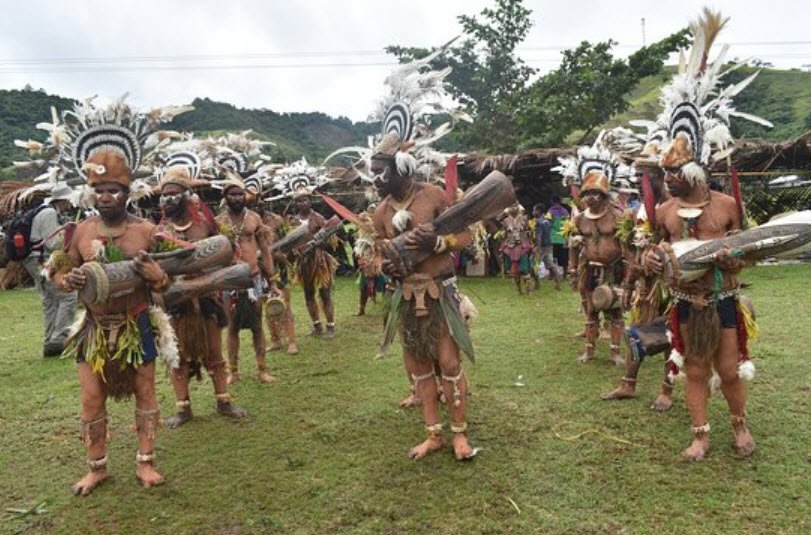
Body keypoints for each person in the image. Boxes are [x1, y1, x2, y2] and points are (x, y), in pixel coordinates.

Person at [641, 8, 768, 460]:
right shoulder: (666, 211)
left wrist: (737, 261)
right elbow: (652, 250)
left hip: (723, 302)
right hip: (686, 305)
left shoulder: (727, 206)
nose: (667, 182)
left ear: (695, 166)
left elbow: (749, 252)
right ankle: (700, 433)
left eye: (674, 174)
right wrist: (651, 261)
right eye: (663, 175)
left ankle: (739, 427)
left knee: (729, 370)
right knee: (694, 370)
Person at [52, 130, 177, 495]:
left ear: (128, 193)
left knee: (145, 391)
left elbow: (168, 281)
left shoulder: (147, 232)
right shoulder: (80, 232)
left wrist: (159, 278)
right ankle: (96, 468)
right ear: (91, 192)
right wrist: (67, 279)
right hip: (92, 327)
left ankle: (146, 462)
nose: (106, 197)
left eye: (114, 190)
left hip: (137, 323)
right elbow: (57, 273)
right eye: (99, 190)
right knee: (91, 397)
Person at [373, 133, 476, 460]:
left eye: (381, 173)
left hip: (439, 291)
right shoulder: (380, 212)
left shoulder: (432, 196)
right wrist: (382, 265)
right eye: (372, 173)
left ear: (402, 170)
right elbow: (376, 254)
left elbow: (466, 235)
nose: (375, 179)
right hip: (406, 295)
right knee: (420, 367)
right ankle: (433, 435)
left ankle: (460, 434)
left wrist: (439, 244)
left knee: (448, 362)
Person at [155, 165, 246, 427]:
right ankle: (183, 408)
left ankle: (223, 401)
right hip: (175, 302)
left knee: (215, 353)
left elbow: (227, 254)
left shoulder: (205, 224)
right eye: (164, 195)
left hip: (206, 298)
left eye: (173, 194)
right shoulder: (159, 231)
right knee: (177, 358)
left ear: (186, 196)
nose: (168, 200)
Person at [556, 136, 627, 365]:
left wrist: (630, 276)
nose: (590, 198)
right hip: (590, 269)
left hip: (614, 269)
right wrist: (573, 269)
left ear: (605, 196)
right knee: (591, 310)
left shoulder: (619, 217)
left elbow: (628, 247)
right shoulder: (578, 220)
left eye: (595, 194)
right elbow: (574, 246)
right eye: (586, 194)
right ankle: (589, 350)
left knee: (615, 311)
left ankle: (615, 352)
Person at [215, 173, 276, 384]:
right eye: (233, 194)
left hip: (254, 279)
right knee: (232, 327)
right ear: (226, 197)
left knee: (257, 325)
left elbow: (265, 250)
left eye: (240, 194)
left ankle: (262, 370)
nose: (237, 198)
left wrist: (273, 279)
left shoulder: (254, 219)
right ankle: (233, 371)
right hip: (229, 281)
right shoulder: (219, 222)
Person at [22, 184, 77, 356]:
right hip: (41, 260)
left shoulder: (42, 210)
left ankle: (50, 341)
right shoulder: (49, 213)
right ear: (63, 200)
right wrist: (68, 233)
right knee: (68, 296)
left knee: (50, 301)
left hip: (32, 260)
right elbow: (52, 243)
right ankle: (59, 339)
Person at [289, 189, 337, 338]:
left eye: (305, 200)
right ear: (296, 203)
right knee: (308, 294)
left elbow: (330, 241)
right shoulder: (292, 221)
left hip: (320, 260)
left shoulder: (318, 218)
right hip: (303, 262)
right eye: (299, 201)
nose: (302, 203)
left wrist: (319, 243)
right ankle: (317, 326)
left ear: (310, 201)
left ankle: (330, 327)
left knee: (325, 293)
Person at [260, 199, 298, 355]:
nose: (258, 204)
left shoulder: (276, 220)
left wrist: (282, 256)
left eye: (261, 201)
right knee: (267, 305)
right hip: (259, 270)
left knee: (285, 304)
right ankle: (275, 340)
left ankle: (292, 342)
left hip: (278, 268)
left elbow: (287, 243)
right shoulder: (247, 221)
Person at [499, 204, 533, 294]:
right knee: (514, 271)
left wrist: (531, 243)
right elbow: (503, 232)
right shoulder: (506, 220)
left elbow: (529, 231)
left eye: (514, 206)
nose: (513, 208)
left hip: (522, 245)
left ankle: (528, 289)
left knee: (524, 269)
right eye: (510, 207)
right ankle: (519, 290)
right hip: (510, 246)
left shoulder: (524, 219)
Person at [532, 203, 561, 290]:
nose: (533, 212)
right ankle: (558, 283)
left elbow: (540, 236)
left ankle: (537, 284)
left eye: (535, 210)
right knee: (550, 264)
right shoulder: (546, 220)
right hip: (548, 245)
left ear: (539, 211)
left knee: (533, 264)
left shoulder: (540, 222)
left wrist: (537, 247)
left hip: (542, 246)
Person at [547, 195, 570, 271]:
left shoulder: (550, 211)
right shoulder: (565, 211)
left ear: (552, 202)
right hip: (563, 237)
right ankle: (565, 274)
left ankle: (552, 273)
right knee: (564, 257)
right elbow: (568, 223)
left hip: (553, 237)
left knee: (553, 256)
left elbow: (548, 223)